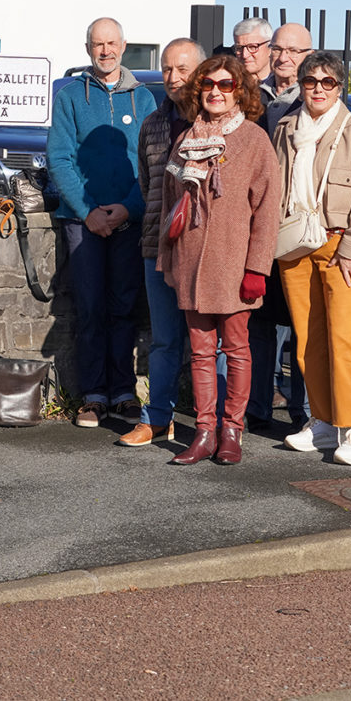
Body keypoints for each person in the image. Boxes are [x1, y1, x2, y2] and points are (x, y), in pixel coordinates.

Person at [157, 55, 281, 465]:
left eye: (225, 85)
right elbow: (169, 206)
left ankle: (232, 431)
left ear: (239, 91)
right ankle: (205, 432)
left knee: (238, 349)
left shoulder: (254, 139)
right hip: (191, 261)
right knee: (200, 351)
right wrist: (168, 261)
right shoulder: (185, 139)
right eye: (208, 85)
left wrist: (257, 268)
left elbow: (268, 209)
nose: (215, 92)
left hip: (235, 263)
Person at [47, 17, 158, 427]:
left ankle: (124, 392)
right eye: (98, 44)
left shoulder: (144, 99)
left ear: (124, 46)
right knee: (90, 307)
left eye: (112, 43)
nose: (105, 51)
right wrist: (87, 210)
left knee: (124, 307)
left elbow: (152, 162)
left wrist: (129, 208)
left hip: (129, 219)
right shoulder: (70, 96)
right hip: (83, 221)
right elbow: (59, 158)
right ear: (88, 48)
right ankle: (93, 395)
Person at [275, 53, 351, 466]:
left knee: (347, 339)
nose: (318, 88)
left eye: (328, 82)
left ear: (339, 88)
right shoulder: (286, 128)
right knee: (308, 341)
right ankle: (323, 421)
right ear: (300, 85)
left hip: (341, 246)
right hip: (295, 245)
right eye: (310, 81)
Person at [118, 37, 203, 447]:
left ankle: (214, 424)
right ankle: (157, 419)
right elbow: (147, 184)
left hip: (203, 250)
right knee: (165, 339)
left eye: (183, 69)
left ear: (200, 71)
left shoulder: (217, 121)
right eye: (167, 68)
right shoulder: (152, 124)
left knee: (210, 344)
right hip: (158, 247)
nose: (173, 77)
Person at [246, 24, 314, 434]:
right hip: (255, 225)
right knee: (259, 321)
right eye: (278, 48)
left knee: (302, 323)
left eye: (294, 50)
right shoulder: (250, 96)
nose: (284, 57)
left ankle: (303, 412)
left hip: (298, 226)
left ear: (308, 55)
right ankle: (257, 407)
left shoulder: (317, 99)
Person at [231, 16, 274, 87]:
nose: (244, 55)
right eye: (239, 48)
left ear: (270, 47)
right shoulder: (227, 85)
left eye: (252, 47)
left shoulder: (283, 85)